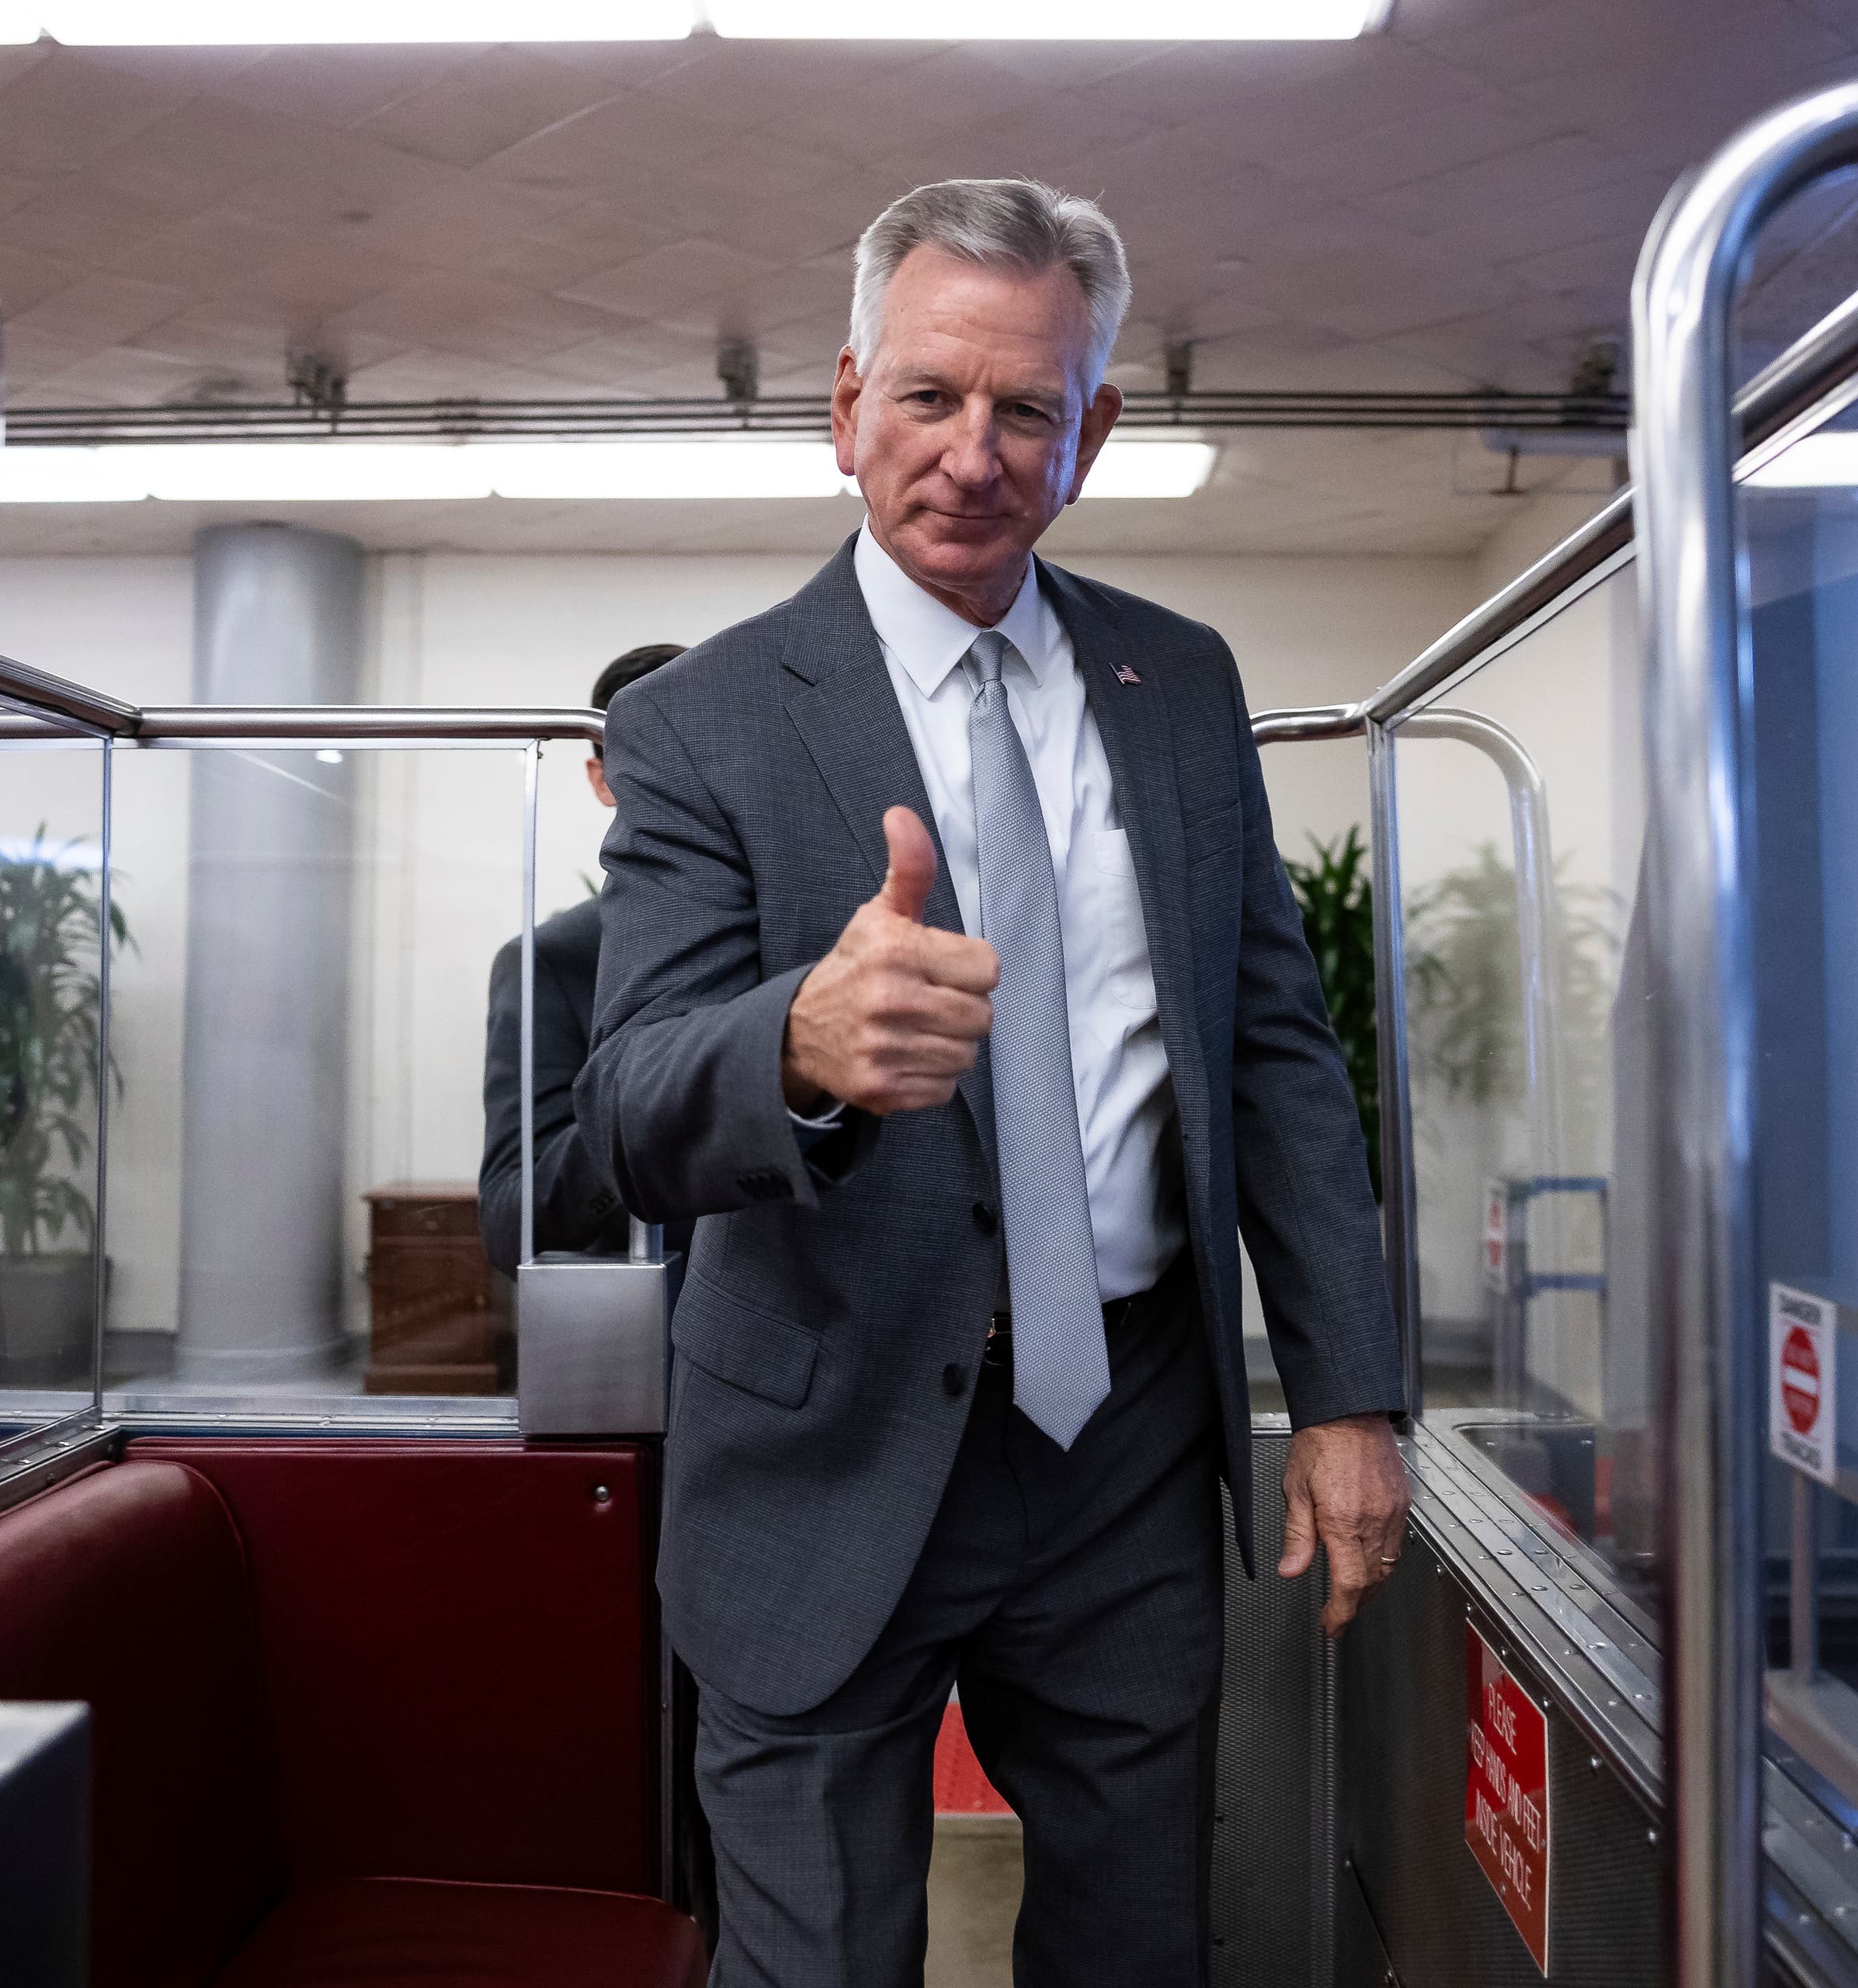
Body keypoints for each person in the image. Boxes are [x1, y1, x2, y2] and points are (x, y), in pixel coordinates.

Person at [575, 179, 1410, 1985]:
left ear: (1090, 428)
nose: (973, 451)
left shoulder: (1178, 688)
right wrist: (790, 1043)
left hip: (1121, 1435)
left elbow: (1272, 1051)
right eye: (929, 398)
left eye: (1026, 406)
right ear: (844, 405)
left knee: (1133, 1948)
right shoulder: (701, 723)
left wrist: (1351, 1392)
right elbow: (630, 1103)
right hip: (824, 1431)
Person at [478, 642, 686, 1278]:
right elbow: (513, 1220)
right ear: (601, 780)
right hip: (648, 1338)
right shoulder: (549, 963)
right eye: (650, 757)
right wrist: (664, 1099)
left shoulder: (816, 940)